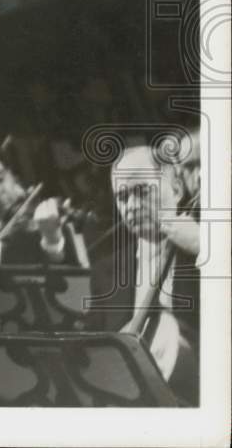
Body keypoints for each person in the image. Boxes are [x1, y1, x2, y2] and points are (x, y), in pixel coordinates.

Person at [96, 143, 200, 404]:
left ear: (176, 190)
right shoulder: (107, 268)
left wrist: (205, 247)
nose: (131, 205)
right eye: (122, 197)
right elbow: (92, 350)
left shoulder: (209, 249)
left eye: (142, 191)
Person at [0, 143, 79, 267]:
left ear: (11, 175)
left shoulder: (46, 221)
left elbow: (73, 275)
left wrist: (52, 241)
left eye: (0, 178)